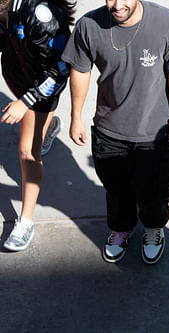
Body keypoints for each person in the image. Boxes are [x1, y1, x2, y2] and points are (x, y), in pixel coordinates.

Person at [61, 0, 169, 264]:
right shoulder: (89, 25)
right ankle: (121, 229)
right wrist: (75, 117)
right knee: (116, 189)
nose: (117, 4)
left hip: (155, 133)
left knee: (155, 192)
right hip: (109, 129)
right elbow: (80, 69)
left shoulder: (167, 22)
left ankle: (154, 229)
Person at [1, 0, 74, 251]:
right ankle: (50, 125)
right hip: (17, 77)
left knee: (27, 152)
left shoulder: (41, 15)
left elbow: (61, 69)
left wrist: (25, 102)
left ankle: (26, 221)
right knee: (35, 130)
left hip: (43, 87)